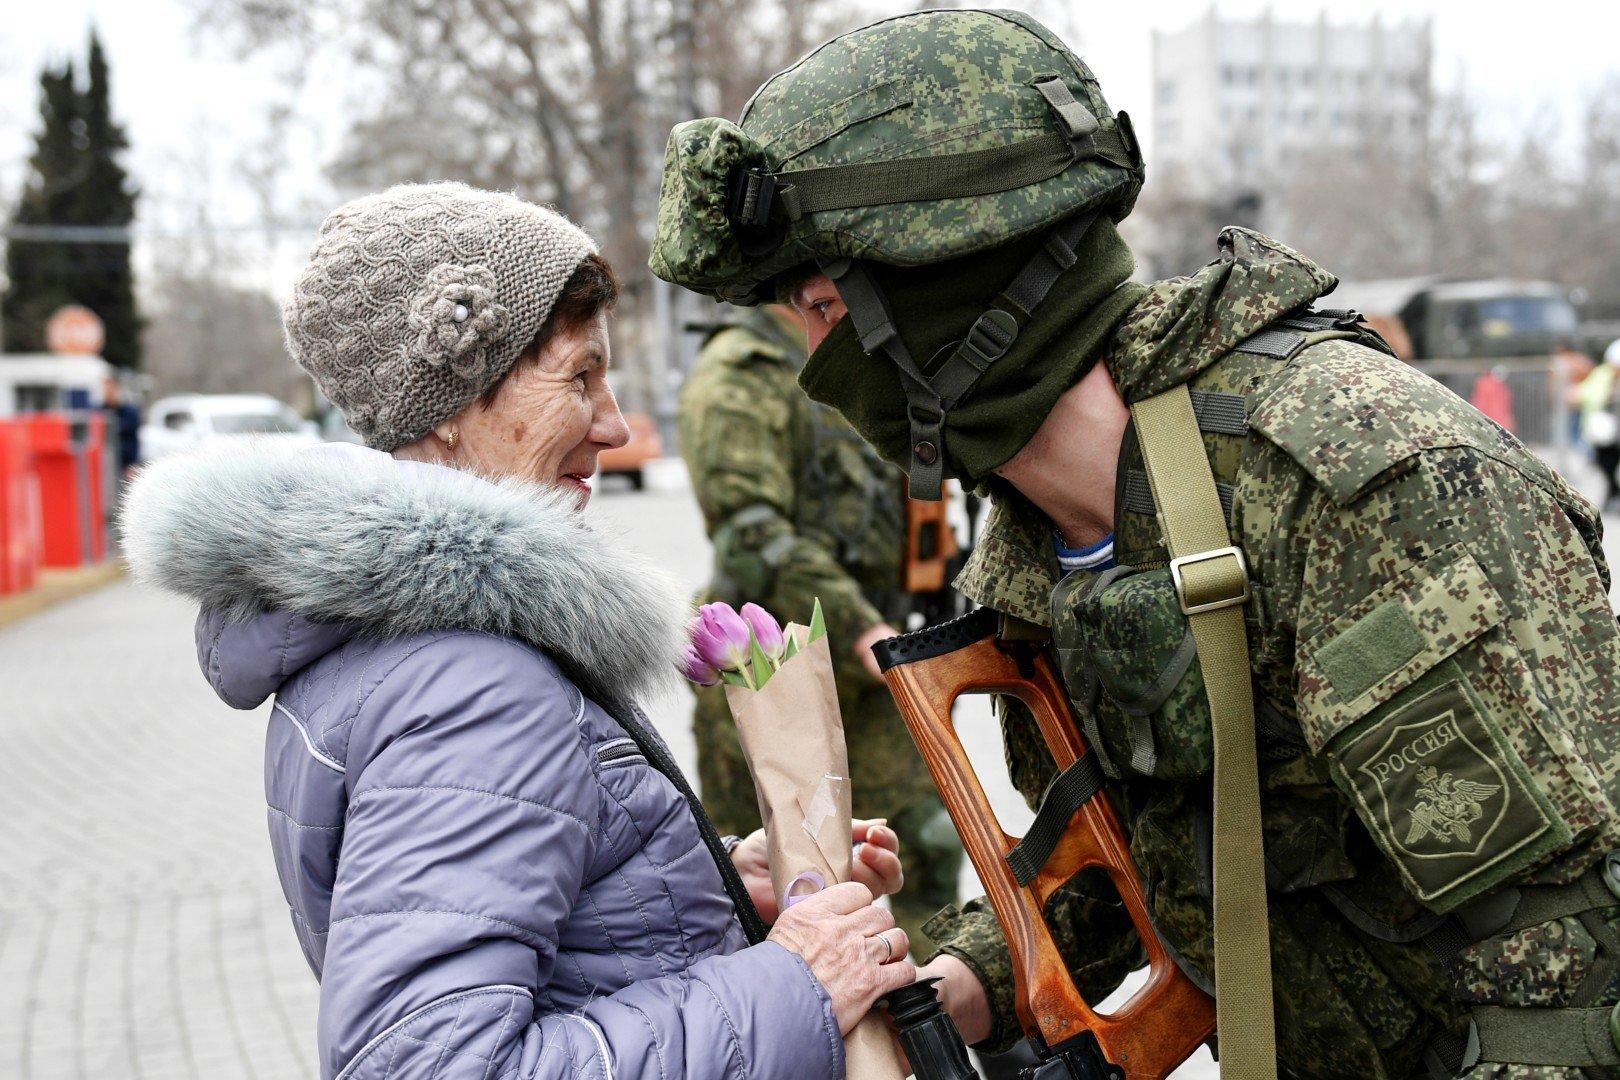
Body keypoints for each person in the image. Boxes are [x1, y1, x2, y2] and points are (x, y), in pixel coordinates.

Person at [649, 10, 1620, 1078]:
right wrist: (970, 982)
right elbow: (1142, 858)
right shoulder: (1028, 549)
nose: (812, 371)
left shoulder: (1353, 484)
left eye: (825, 312)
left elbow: (1563, 963)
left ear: (951, 302)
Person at [122, 183, 917, 1080]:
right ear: (454, 411)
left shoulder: (395, 636)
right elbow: (432, 1066)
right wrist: (797, 982)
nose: (615, 425)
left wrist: (719, 886)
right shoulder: (469, 688)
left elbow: (529, 913)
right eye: (580, 376)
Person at [678, 303, 964, 944]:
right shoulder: (742, 372)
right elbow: (751, 533)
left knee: (923, 848)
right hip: (776, 681)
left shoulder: (869, 355)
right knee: (773, 892)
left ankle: (943, 1020)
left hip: (878, 667)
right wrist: (859, 626)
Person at [1576, 341, 1620, 509]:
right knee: (1605, 464)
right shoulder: (1604, 375)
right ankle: (1613, 493)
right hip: (1608, 435)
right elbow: (1589, 394)